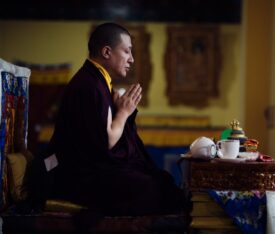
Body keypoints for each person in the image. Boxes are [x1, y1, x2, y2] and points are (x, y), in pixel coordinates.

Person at [29, 22, 190, 216]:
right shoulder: (89, 86)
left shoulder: (97, 81)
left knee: (159, 180)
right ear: (107, 52)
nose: (131, 59)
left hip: (84, 168)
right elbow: (106, 142)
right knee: (151, 188)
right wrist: (124, 112)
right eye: (127, 51)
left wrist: (118, 109)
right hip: (74, 176)